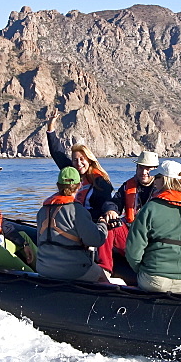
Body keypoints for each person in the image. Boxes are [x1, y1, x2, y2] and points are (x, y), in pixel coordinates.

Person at [101, 150, 181, 260]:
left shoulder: (163, 187)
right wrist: (111, 210)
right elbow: (114, 202)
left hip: (153, 238)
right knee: (107, 223)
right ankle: (105, 268)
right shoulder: (127, 186)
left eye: (148, 168)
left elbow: (178, 188)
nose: (144, 172)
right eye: (141, 167)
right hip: (132, 235)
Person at [45, 112, 116, 269]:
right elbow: (57, 153)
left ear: (89, 160)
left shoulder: (100, 180)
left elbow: (106, 202)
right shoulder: (72, 174)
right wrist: (50, 128)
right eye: (75, 160)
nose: (78, 163)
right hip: (76, 220)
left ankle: (105, 268)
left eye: (82, 159)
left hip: (93, 221)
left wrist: (109, 212)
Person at [125, 160, 181, 293]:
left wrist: (141, 269)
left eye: (157, 177)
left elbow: (133, 251)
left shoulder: (151, 208)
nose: (154, 180)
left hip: (156, 279)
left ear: (165, 180)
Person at [35, 167, 110, 282]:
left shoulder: (42, 211)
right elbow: (95, 241)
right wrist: (102, 225)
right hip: (73, 270)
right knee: (100, 274)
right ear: (79, 185)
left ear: (58, 185)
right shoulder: (77, 210)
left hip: (43, 268)